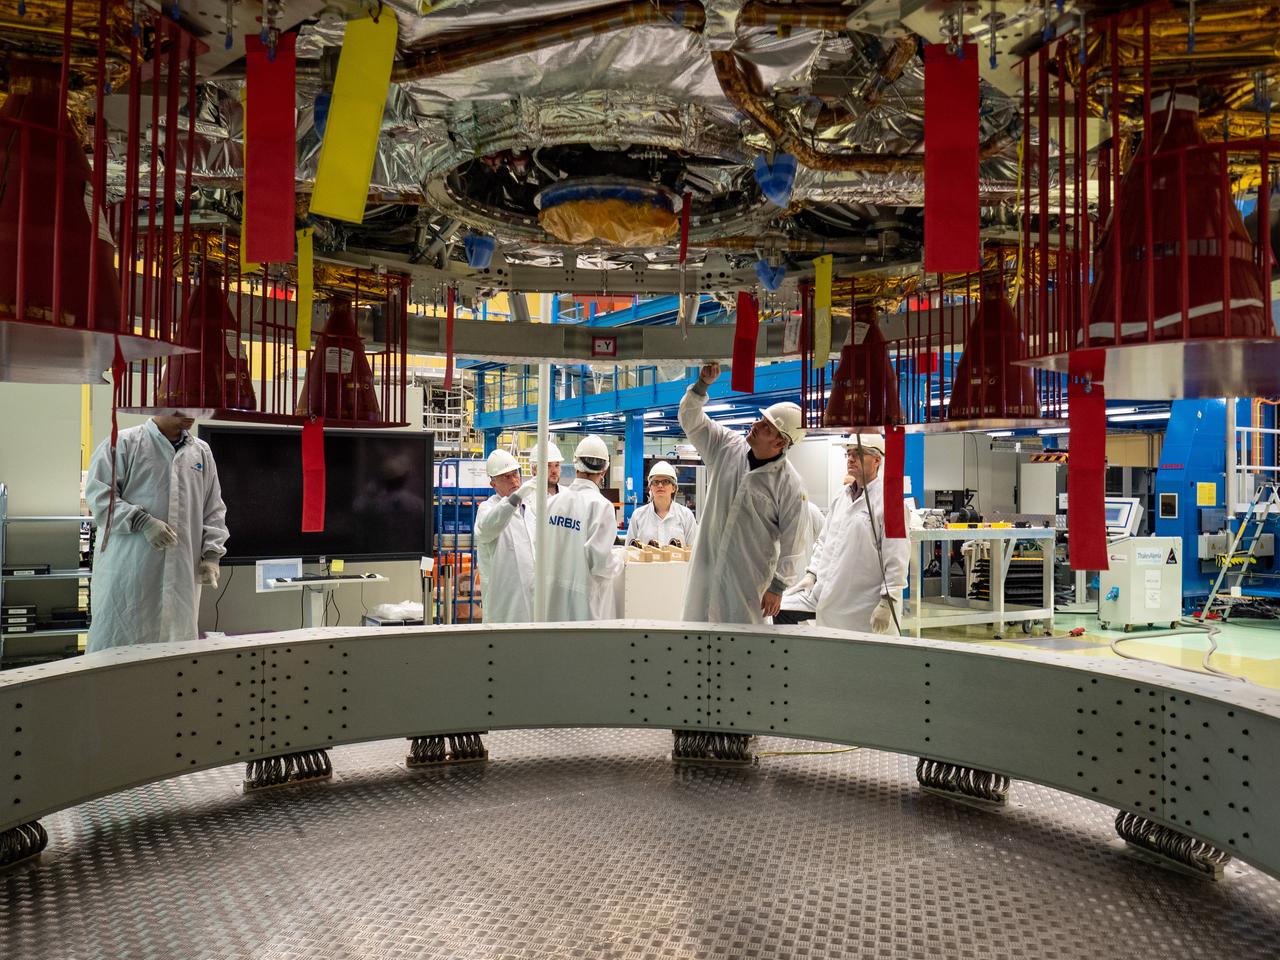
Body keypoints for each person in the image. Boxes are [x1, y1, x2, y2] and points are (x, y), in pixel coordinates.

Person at [679, 362, 812, 623]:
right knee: (695, 638)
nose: (756, 425)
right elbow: (690, 421)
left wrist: (777, 587)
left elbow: (794, 542)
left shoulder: (789, 485)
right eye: (761, 419)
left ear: (780, 442)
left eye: (767, 427)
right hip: (705, 570)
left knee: (742, 650)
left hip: (747, 582)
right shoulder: (727, 446)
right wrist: (701, 386)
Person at [85, 411, 228, 653]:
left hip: (182, 576)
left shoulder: (201, 452)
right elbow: (100, 497)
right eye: (183, 405)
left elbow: (213, 508)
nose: (191, 413)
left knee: (175, 662)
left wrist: (212, 556)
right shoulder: (123, 444)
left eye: (196, 406)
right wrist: (142, 521)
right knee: (119, 656)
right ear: (159, 402)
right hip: (130, 573)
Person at [815, 433, 912, 635]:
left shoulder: (891, 502)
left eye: (858, 453)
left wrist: (888, 600)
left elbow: (897, 556)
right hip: (831, 603)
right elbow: (825, 541)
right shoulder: (840, 497)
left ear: (877, 460)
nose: (850, 459)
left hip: (865, 608)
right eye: (848, 454)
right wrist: (811, 573)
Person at [542, 435, 624, 620]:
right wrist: (620, 559)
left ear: (576, 465)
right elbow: (600, 563)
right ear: (604, 470)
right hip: (585, 606)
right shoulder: (601, 506)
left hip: (551, 602)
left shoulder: (552, 503)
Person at [474, 450, 539, 623]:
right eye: (505, 477)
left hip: (534, 600)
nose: (513, 480)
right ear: (493, 484)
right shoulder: (487, 510)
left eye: (515, 474)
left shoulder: (530, 508)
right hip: (504, 607)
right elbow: (490, 525)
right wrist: (514, 499)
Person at [775, 498, 832, 624]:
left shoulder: (810, 510)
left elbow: (823, 544)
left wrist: (812, 574)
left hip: (806, 580)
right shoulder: (771, 514)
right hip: (782, 581)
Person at [625, 460, 698, 549]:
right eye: (655, 482)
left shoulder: (686, 516)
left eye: (665, 482)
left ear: (674, 488)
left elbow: (694, 551)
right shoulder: (638, 515)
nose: (660, 485)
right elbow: (629, 551)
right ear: (650, 487)